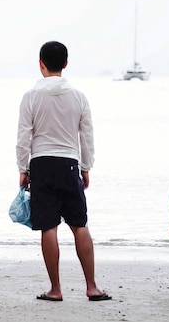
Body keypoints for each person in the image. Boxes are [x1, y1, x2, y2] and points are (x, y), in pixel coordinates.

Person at [16, 41, 111, 302]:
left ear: (41, 64)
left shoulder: (31, 97)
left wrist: (23, 168)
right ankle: (92, 286)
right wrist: (85, 167)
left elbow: (24, 137)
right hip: (69, 164)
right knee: (79, 224)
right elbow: (87, 137)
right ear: (66, 64)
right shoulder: (79, 97)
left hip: (42, 164)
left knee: (48, 227)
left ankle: (55, 289)